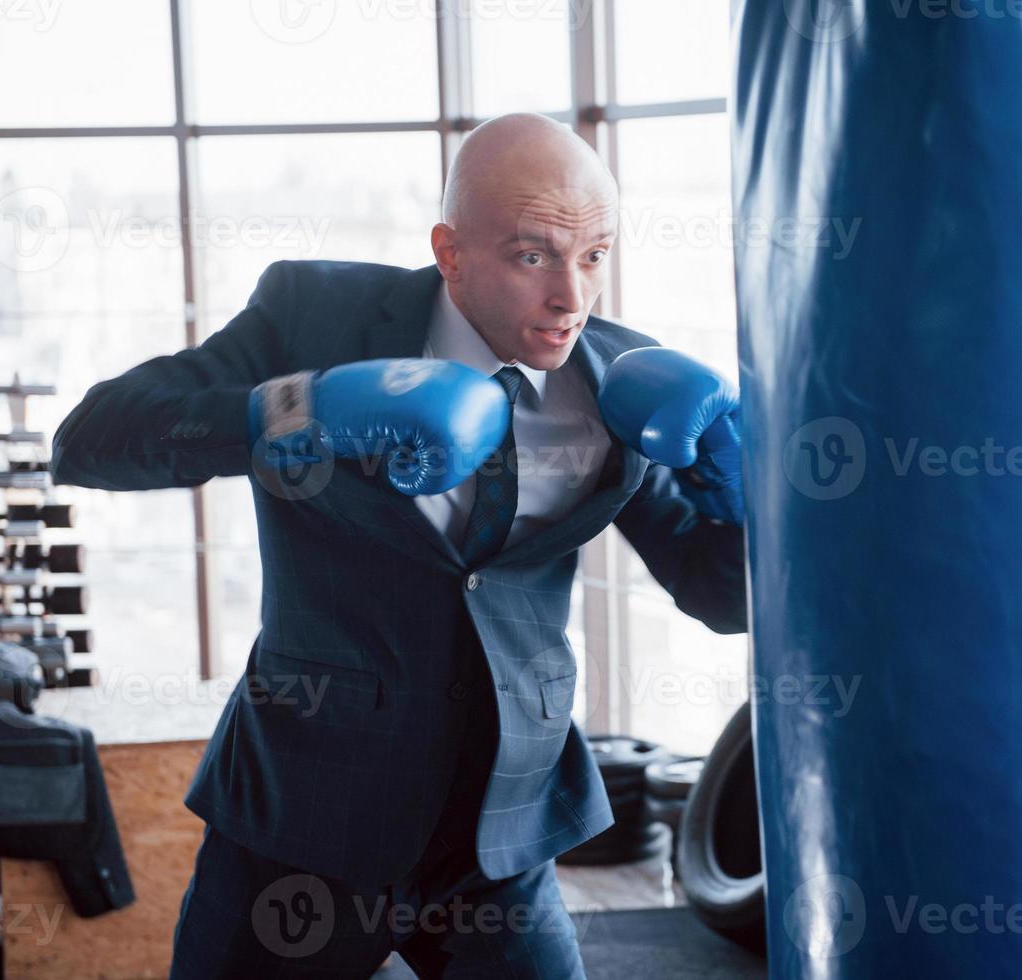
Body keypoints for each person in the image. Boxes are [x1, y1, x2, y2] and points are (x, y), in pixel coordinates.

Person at [51, 111, 747, 978]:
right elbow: (89, 440)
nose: (571, 295)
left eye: (595, 255)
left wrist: (755, 510)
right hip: (302, 818)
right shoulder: (317, 315)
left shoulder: (625, 382)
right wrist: (301, 412)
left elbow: (722, 598)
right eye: (533, 256)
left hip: (500, 836)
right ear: (450, 252)